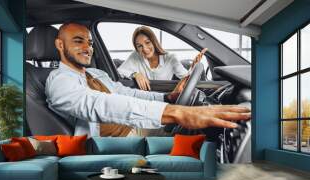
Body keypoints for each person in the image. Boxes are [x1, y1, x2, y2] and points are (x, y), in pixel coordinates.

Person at [45, 22, 250, 137]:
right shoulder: (59, 80)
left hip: (132, 126)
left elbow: (126, 93)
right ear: (60, 45)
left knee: (199, 130)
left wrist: (167, 97)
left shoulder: (97, 74)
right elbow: (97, 103)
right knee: (197, 133)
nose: (88, 48)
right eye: (78, 41)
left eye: (89, 43)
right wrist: (176, 112)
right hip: (109, 143)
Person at [118, 26, 197, 91]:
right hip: (144, 99)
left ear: (154, 41)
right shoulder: (135, 55)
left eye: (147, 42)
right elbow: (120, 72)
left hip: (164, 98)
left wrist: (193, 68)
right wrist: (135, 74)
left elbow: (186, 78)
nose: (145, 49)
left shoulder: (170, 58)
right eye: (139, 46)